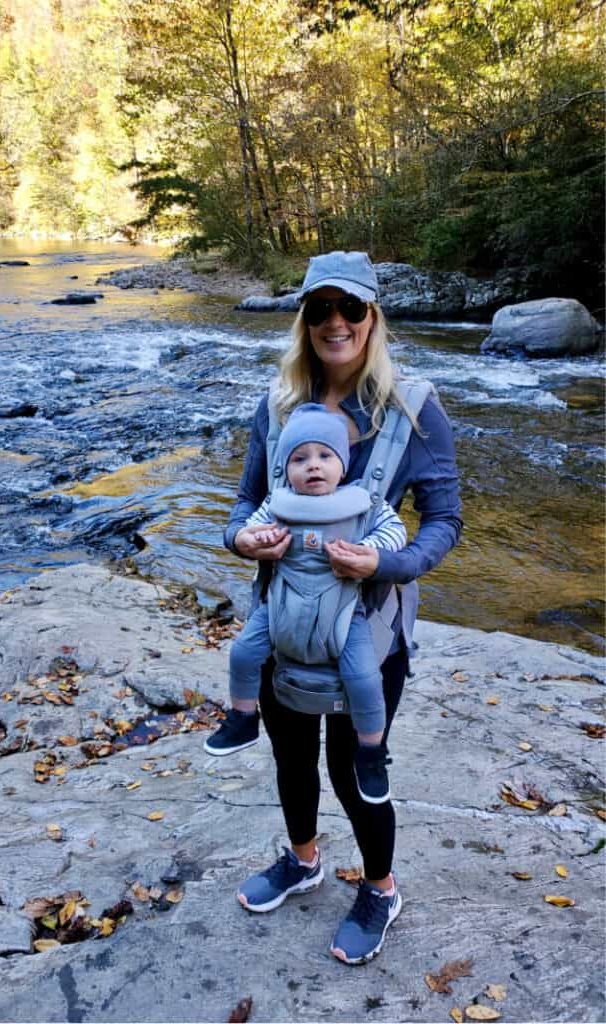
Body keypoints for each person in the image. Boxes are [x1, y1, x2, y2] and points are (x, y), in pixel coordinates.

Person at [223, 250, 462, 965]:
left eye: (350, 308)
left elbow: (445, 519)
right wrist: (241, 539)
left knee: (354, 770)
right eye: (320, 309)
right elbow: (242, 502)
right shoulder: (276, 405)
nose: (335, 323)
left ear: (372, 316)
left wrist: (388, 562)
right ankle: (303, 860)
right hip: (286, 620)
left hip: (369, 630)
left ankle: (381, 889)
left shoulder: (415, 408)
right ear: (304, 319)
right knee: (291, 758)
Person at [204, 402, 408, 805]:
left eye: (324, 456)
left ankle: (371, 751)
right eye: (300, 458)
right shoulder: (277, 502)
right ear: (286, 468)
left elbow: (396, 531)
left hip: (345, 609)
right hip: (282, 602)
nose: (313, 466)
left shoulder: (363, 502)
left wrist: (368, 551)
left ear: (342, 464)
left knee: (366, 678)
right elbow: (250, 528)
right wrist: (255, 539)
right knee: (244, 651)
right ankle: (243, 717)